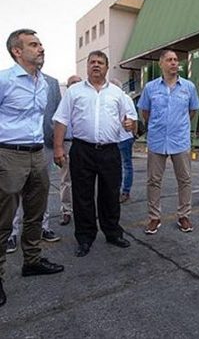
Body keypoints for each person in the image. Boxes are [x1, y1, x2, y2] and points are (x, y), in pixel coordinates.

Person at [0, 29, 64, 308]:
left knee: (35, 213)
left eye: (40, 44)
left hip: (38, 154)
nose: (41, 48)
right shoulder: (4, 80)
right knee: (3, 219)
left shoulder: (44, 83)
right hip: (9, 154)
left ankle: (32, 261)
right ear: (17, 51)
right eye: (34, 44)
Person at [53, 51, 137, 257]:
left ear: (107, 67)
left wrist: (130, 124)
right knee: (82, 196)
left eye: (100, 62)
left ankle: (113, 233)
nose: (96, 65)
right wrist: (58, 148)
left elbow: (131, 122)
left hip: (110, 151)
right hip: (82, 150)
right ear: (87, 66)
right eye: (92, 62)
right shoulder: (74, 92)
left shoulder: (118, 94)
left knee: (110, 194)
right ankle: (84, 237)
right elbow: (61, 120)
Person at [138, 50, 199, 235]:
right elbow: (145, 112)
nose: (174, 63)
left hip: (180, 140)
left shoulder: (188, 87)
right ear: (161, 64)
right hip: (157, 141)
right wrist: (159, 125)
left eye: (175, 60)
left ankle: (183, 216)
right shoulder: (150, 88)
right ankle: (154, 217)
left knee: (185, 180)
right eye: (169, 60)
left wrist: (178, 125)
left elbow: (192, 111)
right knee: (153, 181)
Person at [6, 72, 62, 254]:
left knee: (41, 190)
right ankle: (11, 233)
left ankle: (43, 228)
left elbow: (58, 115)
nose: (40, 56)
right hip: (15, 147)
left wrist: (57, 145)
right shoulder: (8, 80)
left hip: (43, 145)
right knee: (13, 192)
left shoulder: (52, 83)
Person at [58, 74, 82, 225]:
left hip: (84, 145)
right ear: (67, 87)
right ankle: (66, 211)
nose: (75, 85)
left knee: (86, 179)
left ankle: (85, 210)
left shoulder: (88, 102)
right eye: (72, 83)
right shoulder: (63, 104)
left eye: (78, 82)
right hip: (67, 144)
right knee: (66, 179)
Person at [110, 79, 137, 204]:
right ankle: (114, 191)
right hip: (111, 139)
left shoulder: (125, 99)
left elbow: (133, 117)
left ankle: (125, 191)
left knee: (126, 165)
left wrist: (130, 127)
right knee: (114, 167)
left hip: (123, 137)